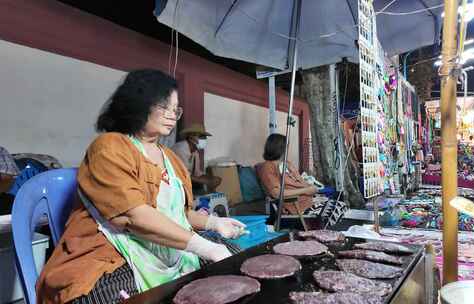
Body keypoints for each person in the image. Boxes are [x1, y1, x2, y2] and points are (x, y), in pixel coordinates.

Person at [36, 69, 246, 304]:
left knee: (237, 259)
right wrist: (205, 248)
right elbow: (132, 216)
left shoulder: (172, 159)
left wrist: (214, 223)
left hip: (165, 249)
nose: (171, 115)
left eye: (175, 109)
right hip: (113, 252)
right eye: (164, 106)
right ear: (138, 103)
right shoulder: (110, 147)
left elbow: (179, 214)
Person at [257, 134, 348, 226]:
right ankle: (318, 234)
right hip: (296, 207)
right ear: (278, 148)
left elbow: (300, 182)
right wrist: (306, 190)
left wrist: (311, 189)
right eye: (286, 147)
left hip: (306, 202)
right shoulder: (268, 167)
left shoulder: (286, 164)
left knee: (341, 205)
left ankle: (323, 234)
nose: (287, 151)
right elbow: (276, 193)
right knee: (334, 211)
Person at [171, 124, 221, 193]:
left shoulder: (195, 152)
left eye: (204, 137)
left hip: (185, 180)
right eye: (201, 137)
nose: (204, 139)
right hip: (173, 181)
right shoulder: (181, 149)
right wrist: (206, 181)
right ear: (191, 136)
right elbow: (183, 174)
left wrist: (211, 179)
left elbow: (197, 173)